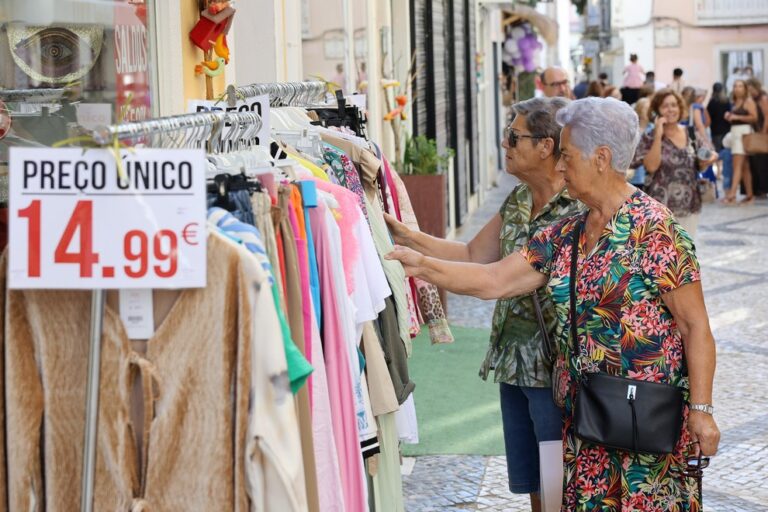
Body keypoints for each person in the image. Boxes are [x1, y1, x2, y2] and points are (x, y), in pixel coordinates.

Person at [386, 97, 720, 511]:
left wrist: (702, 409)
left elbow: (695, 326)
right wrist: (418, 264)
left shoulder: (657, 230)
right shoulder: (568, 233)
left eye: (566, 155)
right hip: (587, 422)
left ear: (601, 158)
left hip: (645, 422)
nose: (559, 167)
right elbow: (493, 279)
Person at [385, 97, 583, 512]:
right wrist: (406, 236)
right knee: (534, 481)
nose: (504, 144)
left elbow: (493, 280)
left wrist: (419, 264)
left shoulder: (578, 209)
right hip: (514, 363)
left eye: (513, 136)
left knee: (558, 484)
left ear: (546, 146)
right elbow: (475, 254)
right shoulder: (518, 199)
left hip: (555, 372)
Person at [633, 89, 717, 236]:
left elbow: (705, 158)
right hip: (658, 211)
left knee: (684, 256)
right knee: (661, 256)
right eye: (665, 106)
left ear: (680, 107)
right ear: (657, 110)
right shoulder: (650, 137)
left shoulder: (690, 133)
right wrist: (658, 135)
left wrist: (707, 159)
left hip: (689, 208)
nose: (670, 110)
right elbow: (651, 166)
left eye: (674, 105)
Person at [723, 79, 758, 203]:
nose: (737, 88)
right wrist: (729, 116)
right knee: (744, 166)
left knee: (736, 164)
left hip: (743, 133)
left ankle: (732, 194)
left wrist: (736, 117)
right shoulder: (735, 101)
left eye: (740, 86)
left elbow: (754, 117)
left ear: (744, 88)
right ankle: (750, 194)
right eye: (735, 86)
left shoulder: (748, 101)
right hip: (735, 132)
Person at [707, 83, 733, 192]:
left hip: (716, 130)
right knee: (725, 151)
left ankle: (718, 172)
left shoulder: (712, 102)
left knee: (717, 151)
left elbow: (709, 116)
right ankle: (723, 172)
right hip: (726, 129)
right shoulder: (726, 101)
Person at [746, 78, 768, 197]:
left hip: (763, 132)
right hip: (757, 131)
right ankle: (759, 189)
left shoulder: (763, 98)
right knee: (758, 161)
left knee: (762, 161)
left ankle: (763, 189)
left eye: (751, 89)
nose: (750, 91)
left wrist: (763, 132)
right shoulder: (752, 99)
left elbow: (767, 115)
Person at [628, 97, 652, 190]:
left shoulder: (654, 129)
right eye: (644, 109)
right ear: (639, 110)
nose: (647, 112)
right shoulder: (631, 128)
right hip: (632, 175)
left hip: (647, 176)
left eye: (649, 109)